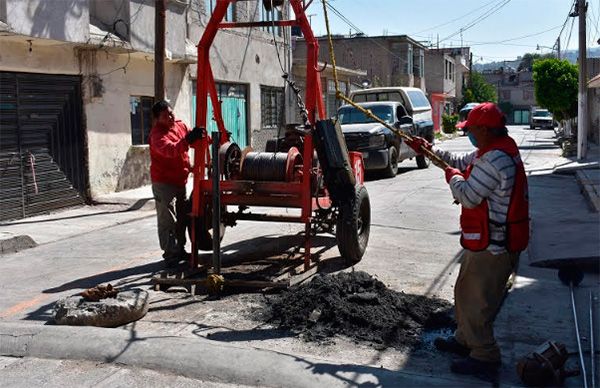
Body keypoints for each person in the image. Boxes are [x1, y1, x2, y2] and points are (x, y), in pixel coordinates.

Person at [406, 102, 529, 381]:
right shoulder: (493, 151)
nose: (468, 133)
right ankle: (465, 340)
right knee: (464, 291)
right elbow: (461, 161)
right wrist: (428, 149)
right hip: (487, 243)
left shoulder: (495, 159)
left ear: (484, 130)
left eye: (471, 129)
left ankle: (484, 355)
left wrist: (453, 179)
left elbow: (469, 195)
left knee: (477, 302)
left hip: (494, 247)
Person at [149, 100, 204, 265]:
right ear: (157, 119)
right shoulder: (157, 136)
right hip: (164, 183)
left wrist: (208, 138)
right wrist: (188, 140)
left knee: (181, 217)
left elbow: (193, 141)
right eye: (166, 116)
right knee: (168, 219)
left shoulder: (180, 126)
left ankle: (180, 249)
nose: (171, 117)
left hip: (180, 180)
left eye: (171, 113)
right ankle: (170, 253)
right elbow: (171, 150)